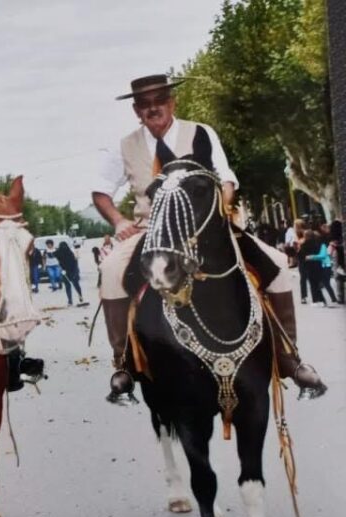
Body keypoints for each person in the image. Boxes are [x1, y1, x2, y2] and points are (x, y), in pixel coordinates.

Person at [91, 74, 325, 402]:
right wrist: (118, 221)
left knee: (276, 262)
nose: (153, 108)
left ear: (172, 102)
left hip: (206, 227)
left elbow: (226, 178)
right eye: (145, 103)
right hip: (152, 230)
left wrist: (221, 209)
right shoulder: (125, 145)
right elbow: (100, 191)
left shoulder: (201, 133)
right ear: (136, 110)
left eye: (160, 100)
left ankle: (289, 357)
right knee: (111, 270)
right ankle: (123, 365)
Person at [55, 241, 87, 306]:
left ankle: (76, 298)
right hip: (66, 271)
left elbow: (75, 263)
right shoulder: (65, 252)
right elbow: (53, 254)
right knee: (71, 285)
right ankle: (72, 299)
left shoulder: (67, 253)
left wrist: (75, 272)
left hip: (71, 270)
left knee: (72, 285)